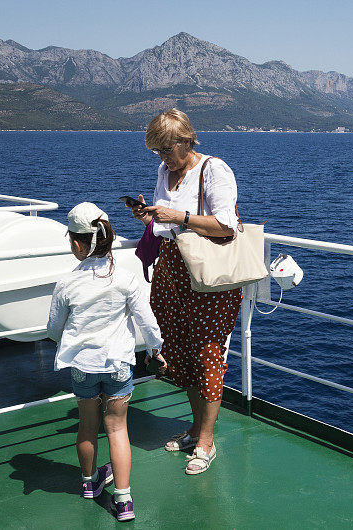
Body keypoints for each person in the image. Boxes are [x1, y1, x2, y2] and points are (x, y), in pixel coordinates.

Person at [129, 108, 242, 475]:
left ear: (185, 141)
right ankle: (196, 428)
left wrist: (176, 217)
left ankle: (206, 442)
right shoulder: (166, 170)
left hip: (207, 276)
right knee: (181, 353)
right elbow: (167, 224)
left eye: (166, 150)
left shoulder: (214, 170)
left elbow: (226, 226)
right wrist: (149, 217)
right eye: (158, 153)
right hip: (172, 270)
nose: (162, 159)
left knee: (208, 355)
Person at [47, 202, 165, 521]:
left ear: (76, 243)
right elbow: (147, 320)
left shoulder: (66, 283)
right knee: (117, 429)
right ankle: (123, 501)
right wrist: (156, 349)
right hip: (118, 365)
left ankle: (89, 484)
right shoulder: (126, 279)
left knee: (87, 425)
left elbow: (53, 329)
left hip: (83, 367)